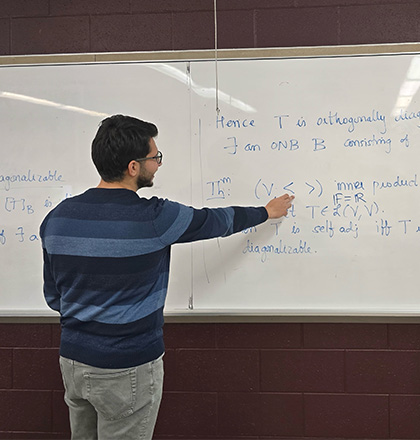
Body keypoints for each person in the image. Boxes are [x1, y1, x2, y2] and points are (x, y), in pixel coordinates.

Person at [40, 114, 294, 440]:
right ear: (133, 167)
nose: (158, 164)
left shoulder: (57, 219)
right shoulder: (155, 218)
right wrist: (266, 212)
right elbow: (216, 221)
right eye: (154, 158)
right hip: (128, 367)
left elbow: (54, 297)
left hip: (74, 361)